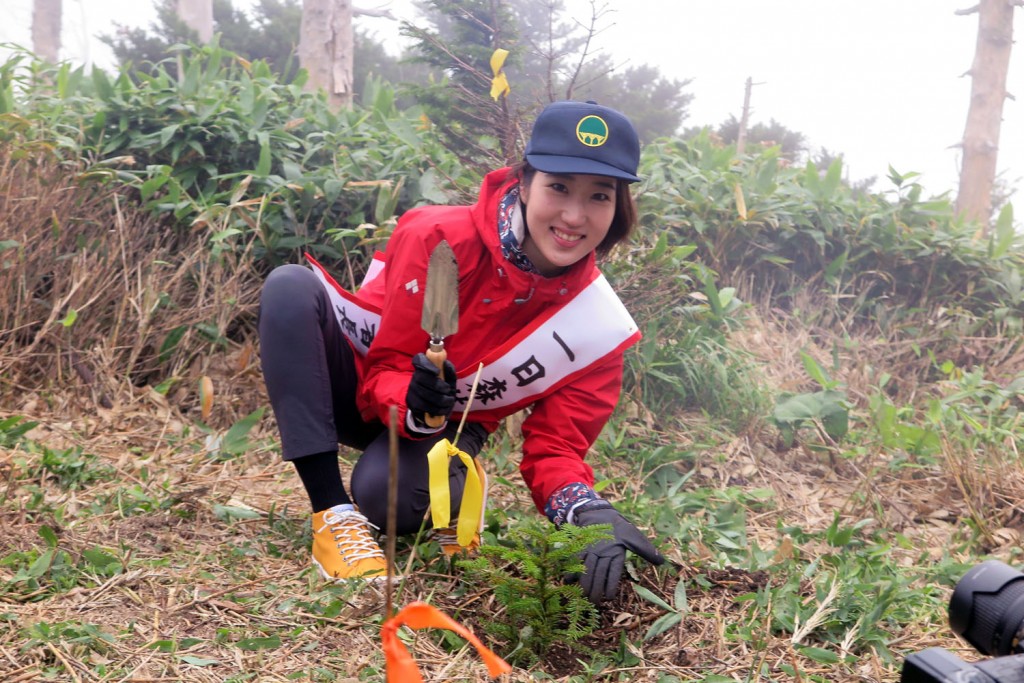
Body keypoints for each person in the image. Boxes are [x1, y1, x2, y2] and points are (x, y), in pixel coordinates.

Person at [258, 100, 665, 603]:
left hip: (453, 419)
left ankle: (428, 478)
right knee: (289, 288)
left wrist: (586, 512)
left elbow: (556, 450)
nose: (574, 215)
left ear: (617, 208)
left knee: (390, 500)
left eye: (599, 196)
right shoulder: (437, 235)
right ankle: (332, 516)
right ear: (523, 183)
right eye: (558, 188)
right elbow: (384, 365)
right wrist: (412, 399)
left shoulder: (594, 326)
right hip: (365, 384)